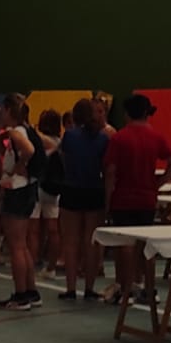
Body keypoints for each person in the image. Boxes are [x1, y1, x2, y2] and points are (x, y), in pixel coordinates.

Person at [103, 92, 171, 306]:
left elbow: (110, 171)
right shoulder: (156, 137)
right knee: (146, 247)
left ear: (127, 113)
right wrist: (158, 184)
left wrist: (107, 200)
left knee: (124, 245)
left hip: (123, 198)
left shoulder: (119, 138)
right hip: (146, 199)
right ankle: (148, 288)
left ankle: (124, 288)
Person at [56, 98, 112, 301]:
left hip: (72, 189)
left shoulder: (69, 136)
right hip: (94, 190)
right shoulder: (103, 139)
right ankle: (89, 287)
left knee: (70, 241)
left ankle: (71, 288)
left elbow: (63, 159)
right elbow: (106, 170)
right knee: (91, 242)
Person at [0, 94, 39, 310]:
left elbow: (29, 150)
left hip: (18, 189)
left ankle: (20, 294)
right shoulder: (28, 129)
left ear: (9, 110)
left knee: (16, 246)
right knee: (22, 244)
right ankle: (31, 291)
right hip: (28, 188)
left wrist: (20, 165)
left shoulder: (15, 132)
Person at [33, 108, 65, 281]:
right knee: (53, 230)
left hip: (39, 188)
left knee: (34, 230)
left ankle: (32, 261)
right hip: (54, 191)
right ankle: (51, 266)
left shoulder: (39, 141)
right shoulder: (60, 142)